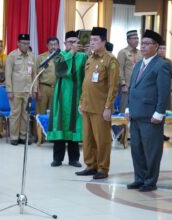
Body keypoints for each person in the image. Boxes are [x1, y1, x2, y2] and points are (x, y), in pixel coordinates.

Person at [126, 30, 171, 192]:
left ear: (156, 46)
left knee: (151, 150)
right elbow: (132, 88)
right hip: (136, 113)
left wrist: (159, 113)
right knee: (136, 149)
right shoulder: (138, 64)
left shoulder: (162, 65)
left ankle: (150, 181)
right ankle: (140, 178)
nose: (142, 46)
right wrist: (128, 107)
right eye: (142, 43)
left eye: (147, 44)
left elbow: (164, 92)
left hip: (151, 116)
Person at [76, 27, 119, 179]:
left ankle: (102, 168)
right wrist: (81, 102)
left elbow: (113, 86)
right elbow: (85, 83)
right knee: (87, 139)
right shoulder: (90, 58)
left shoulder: (110, 60)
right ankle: (91, 165)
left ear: (103, 41)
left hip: (101, 108)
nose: (91, 43)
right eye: (91, 40)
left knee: (102, 140)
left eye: (95, 40)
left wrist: (108, 107)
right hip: (87, 106)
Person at [47, 31, 84, 167]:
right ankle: (57, 158)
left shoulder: (83, 57)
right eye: (70, 42)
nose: (73, 44)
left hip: (76, 95)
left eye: (76, 42)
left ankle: (74, 159)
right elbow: (60, 71)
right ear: (65, 43)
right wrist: (71, 53)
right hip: (61, 97)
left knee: (74, 126)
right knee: (60, 124)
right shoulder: (59, 56)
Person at [5, 34, 36, 145]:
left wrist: (34, 89)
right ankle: (14, 137)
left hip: (28, 90)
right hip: (15, 90)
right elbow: (8, 74)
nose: (26, 45)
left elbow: (34, 74)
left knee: (25, 114)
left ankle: (23, 136)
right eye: (23, 43)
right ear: (18, 43)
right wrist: (9, 90)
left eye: (27, 43)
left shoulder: (31, 56)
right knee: (15, 113)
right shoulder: (12, 56)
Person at [36, 36, 59, 141]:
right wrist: (37, 90)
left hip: (56, 88)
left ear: (58, 45)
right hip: (43, 87)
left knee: (54, 113)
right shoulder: (41, 57)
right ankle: (39, 136)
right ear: (47, 45)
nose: (53, 46)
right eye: (51, 44)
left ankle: (51, 136)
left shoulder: (61, 57)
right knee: (40, 112)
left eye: (55, 44)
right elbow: (36, 75)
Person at [117, 30, 142, 112]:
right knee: (124, 109)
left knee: (137, 108)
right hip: (127, 86)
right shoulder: (123, 52)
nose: (137, 40)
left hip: (139, 86)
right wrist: (123, 84)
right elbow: (119, 69)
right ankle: (122, 125)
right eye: (134, 38)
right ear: (128, 40)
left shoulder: (140, 53)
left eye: (137, 38)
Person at [158, 41, 172, 141]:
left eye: (164, 49)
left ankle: (161, 132)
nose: (163, 51)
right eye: (161, 48)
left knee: (164, 112)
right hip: (157, 90)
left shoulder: (168, 61)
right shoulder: (154, 61)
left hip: (167, 90)